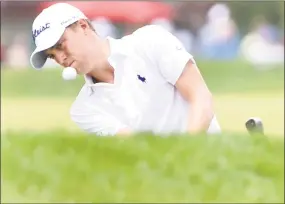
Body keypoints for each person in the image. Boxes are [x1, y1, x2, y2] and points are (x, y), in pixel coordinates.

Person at [30, 3, 221, 137]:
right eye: (52, 55)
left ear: (83, 26)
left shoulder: (150, 40)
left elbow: (201, 97)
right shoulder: (84, 110)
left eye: (61, 45)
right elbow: (138, 148)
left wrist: (187, 151)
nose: (60, 58)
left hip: (209, 155)